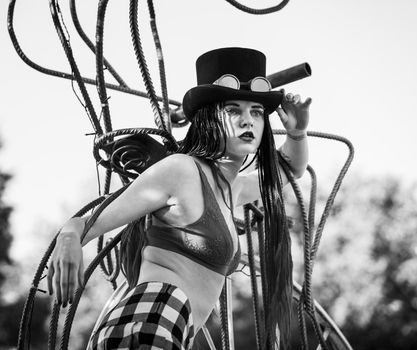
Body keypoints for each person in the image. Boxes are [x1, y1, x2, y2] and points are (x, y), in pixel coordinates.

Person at [47, 47, 312, 350]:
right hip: (150, 316)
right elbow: (85, 224)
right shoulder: (182, 170)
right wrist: (68, 238)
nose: (247, 121)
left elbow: (290, 168)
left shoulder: (233, 188)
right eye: (233, 111)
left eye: (255, 112)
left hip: (171, 324)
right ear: (209, 118)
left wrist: (297, 133)